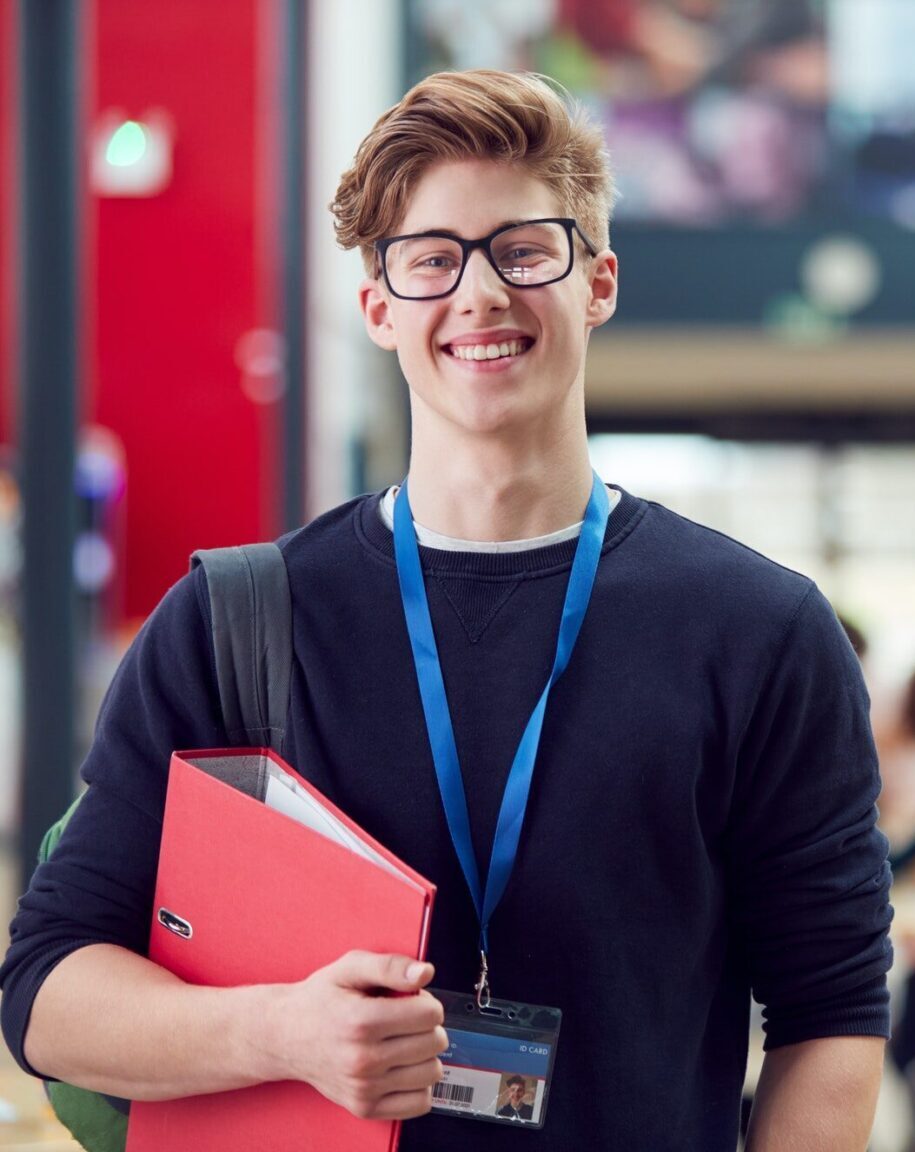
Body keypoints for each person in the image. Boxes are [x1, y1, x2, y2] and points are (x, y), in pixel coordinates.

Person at [0, 69, 893, 1151]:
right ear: (380, 308)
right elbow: (47, 989)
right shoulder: (236, 623)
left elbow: (829, 1014)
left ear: (597, 281)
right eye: (433, 260)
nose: (480, 295)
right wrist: (282, 1031)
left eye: (524, 250)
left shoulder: (758, 633)